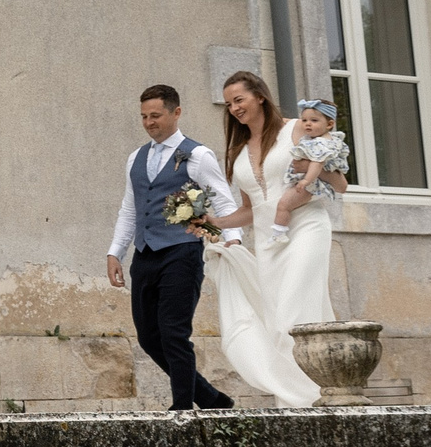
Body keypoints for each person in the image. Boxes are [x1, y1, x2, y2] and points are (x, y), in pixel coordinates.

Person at [204, 70, 339, 407]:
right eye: (229, 104)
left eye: (239, 99)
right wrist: (214, 222)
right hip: (268, 242)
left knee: (294, 314)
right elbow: (251, 209)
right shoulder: (237, 150)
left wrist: (297, 195)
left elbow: (336, 182)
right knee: (277, 322)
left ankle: (309, 400)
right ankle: (295, 402)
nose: (234, 108)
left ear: (259, 96)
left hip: (306, 228)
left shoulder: (297, 129)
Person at [106, 83, 237, 411]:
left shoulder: (197, 155)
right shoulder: (135, 157)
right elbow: (129, 208)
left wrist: (233, 240)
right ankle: (210, 399)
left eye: (156, 115)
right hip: (145, 255)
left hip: (182, 252)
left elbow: (222, 199)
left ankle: (181, 409)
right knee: (149, 338)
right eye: (144, 117)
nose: (149, 122)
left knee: (173, 333)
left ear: (176, 113)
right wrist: (114, 252)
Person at [266, 98, 350, 247]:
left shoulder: (321, 143)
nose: (307, 124)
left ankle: (279, 233)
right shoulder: (317, 139)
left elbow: (317, 164)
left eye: (314, 120)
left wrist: (306, 181)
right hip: (311, 183)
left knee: (284, 204)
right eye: (304, 120)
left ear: (329, 124)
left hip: (312, 184)